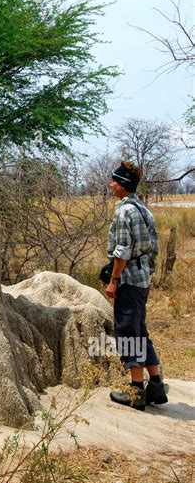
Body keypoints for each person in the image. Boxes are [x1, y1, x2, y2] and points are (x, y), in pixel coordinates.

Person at [106, 161, 168, 411]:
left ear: (122, 184)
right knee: (140, 330)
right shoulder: (142, 208)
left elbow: (122, 251)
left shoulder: (124, 211)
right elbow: (152, 246)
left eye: (113, 181)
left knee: (128, 332)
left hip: (129, 281)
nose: (111, 185)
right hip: (143, 280)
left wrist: (113, 280)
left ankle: (135, 392)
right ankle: (155, 384)